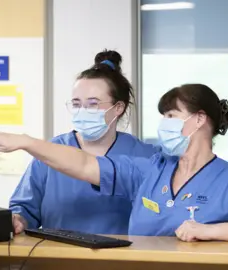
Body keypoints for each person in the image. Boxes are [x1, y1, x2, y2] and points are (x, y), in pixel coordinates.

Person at [0, 84, 228, 242]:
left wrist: (210, 231)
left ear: (200, 120)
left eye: (172, 116)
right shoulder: (151, 168)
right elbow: (83, 164)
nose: (164, 124)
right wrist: (25, 141)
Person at [9, 49, 159, 235]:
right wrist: (18, 219)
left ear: (118, 107)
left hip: (121, 260)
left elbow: (161, 214)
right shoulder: (51, 152)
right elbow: (24, 209)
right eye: (77, 104)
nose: (82, 111)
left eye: (93, 104)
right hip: (58, 258)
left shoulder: (144, 155)